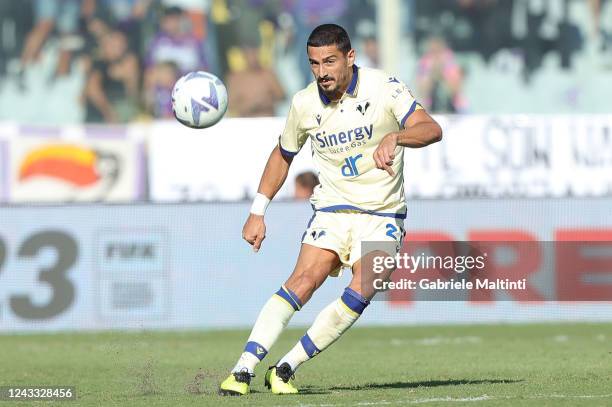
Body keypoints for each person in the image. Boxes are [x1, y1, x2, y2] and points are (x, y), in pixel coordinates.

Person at [219, 23, 442, 396]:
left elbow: (431, 128)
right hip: (334, 210)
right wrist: (258, 210)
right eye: (314, 64)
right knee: (304, 281)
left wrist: (396, 136)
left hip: (384, 213)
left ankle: (285, 368)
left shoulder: (384, 87)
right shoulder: (304, 104)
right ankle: (242, 370)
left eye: (330, 61)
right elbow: (283, 154)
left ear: (350, 58)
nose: (322, 72)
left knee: (368, 283)